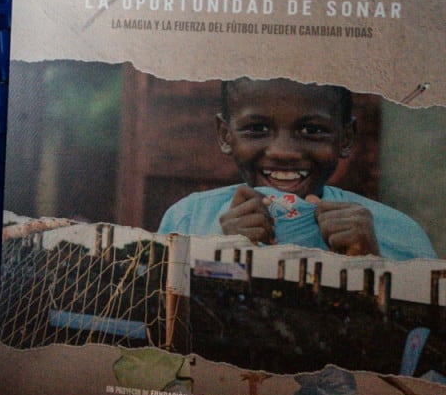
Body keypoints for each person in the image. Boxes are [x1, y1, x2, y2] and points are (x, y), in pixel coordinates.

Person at [157, 78, 436, 261]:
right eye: (257, 128)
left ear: (346, 138)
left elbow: (424, 347)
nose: (283, 152)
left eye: (312, 130)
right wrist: (219, 256)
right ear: (225, 135)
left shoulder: (399, 235)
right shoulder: (189, 221)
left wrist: (371, 267)